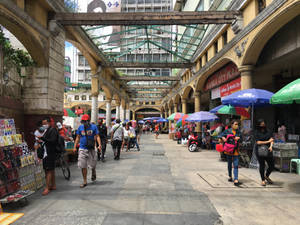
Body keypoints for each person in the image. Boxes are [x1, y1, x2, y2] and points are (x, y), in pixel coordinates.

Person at [73, 114, 101, 188]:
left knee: (93, 164)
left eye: (85, 121)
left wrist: (99, 145)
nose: (84, 123)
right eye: (83, 121)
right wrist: (75, 147)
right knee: (83, 165)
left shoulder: (94, 127)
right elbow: (78, 137)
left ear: (89, 121)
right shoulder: (80, 127)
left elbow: (97, 136)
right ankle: (85, 181)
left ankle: (93, 171)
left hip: (91, 148)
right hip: (82, 148)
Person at [36, 117, 58, 195]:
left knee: (48, 170)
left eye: (45, 123)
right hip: (48, 152)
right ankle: (53, 185)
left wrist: (42, 138)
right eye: (43, 124)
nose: (44, 125)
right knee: (51, 169)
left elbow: (52, 141)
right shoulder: (47, 130)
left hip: (50, 153)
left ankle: (47, 187)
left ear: (49, 123)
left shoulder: (52, 130)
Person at [254, 119, 275, 186]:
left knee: (272, 166)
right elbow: (258, 142)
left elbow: (272, 139)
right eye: (261, 124)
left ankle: (267, 176)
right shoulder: (256, 132)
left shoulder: (268, 131)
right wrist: (268, 142)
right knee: (262, 165)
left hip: (268, 150)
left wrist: (271, 146)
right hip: (259, 150)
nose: (263, 125)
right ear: (258, 125)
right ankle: (263, 180)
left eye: (264, 124)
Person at [221, 120, 242, 186]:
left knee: (235, 165)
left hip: (236, 150)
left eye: (237, 124)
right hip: (229, 150)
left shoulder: (238, 131)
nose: (237, 126)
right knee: (229, 164)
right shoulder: (227, 131)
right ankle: (230, 176)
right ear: (232, 125)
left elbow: (242, 139)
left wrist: (239, 138)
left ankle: (236, 179)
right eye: (235, 124)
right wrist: (223, 138)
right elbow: (221, 135)